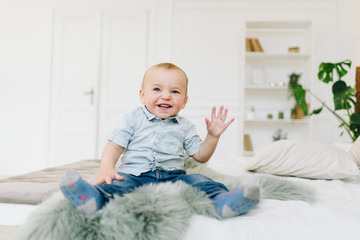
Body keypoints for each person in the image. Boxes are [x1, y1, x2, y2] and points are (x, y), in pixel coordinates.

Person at [60, 63, 259, 218]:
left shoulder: (185, 126)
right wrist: (106, 168)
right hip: (135, 175)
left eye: (175, 91)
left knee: (201, 181)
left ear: (185, 101)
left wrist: (213, 136)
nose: (166, 96)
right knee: (116, 184)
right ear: (142, 95)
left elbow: (200, 156)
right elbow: (114, 146)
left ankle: (223, 202)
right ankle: (93, 198)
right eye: (157, 89)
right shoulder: (132, 118)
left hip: (173, 177)